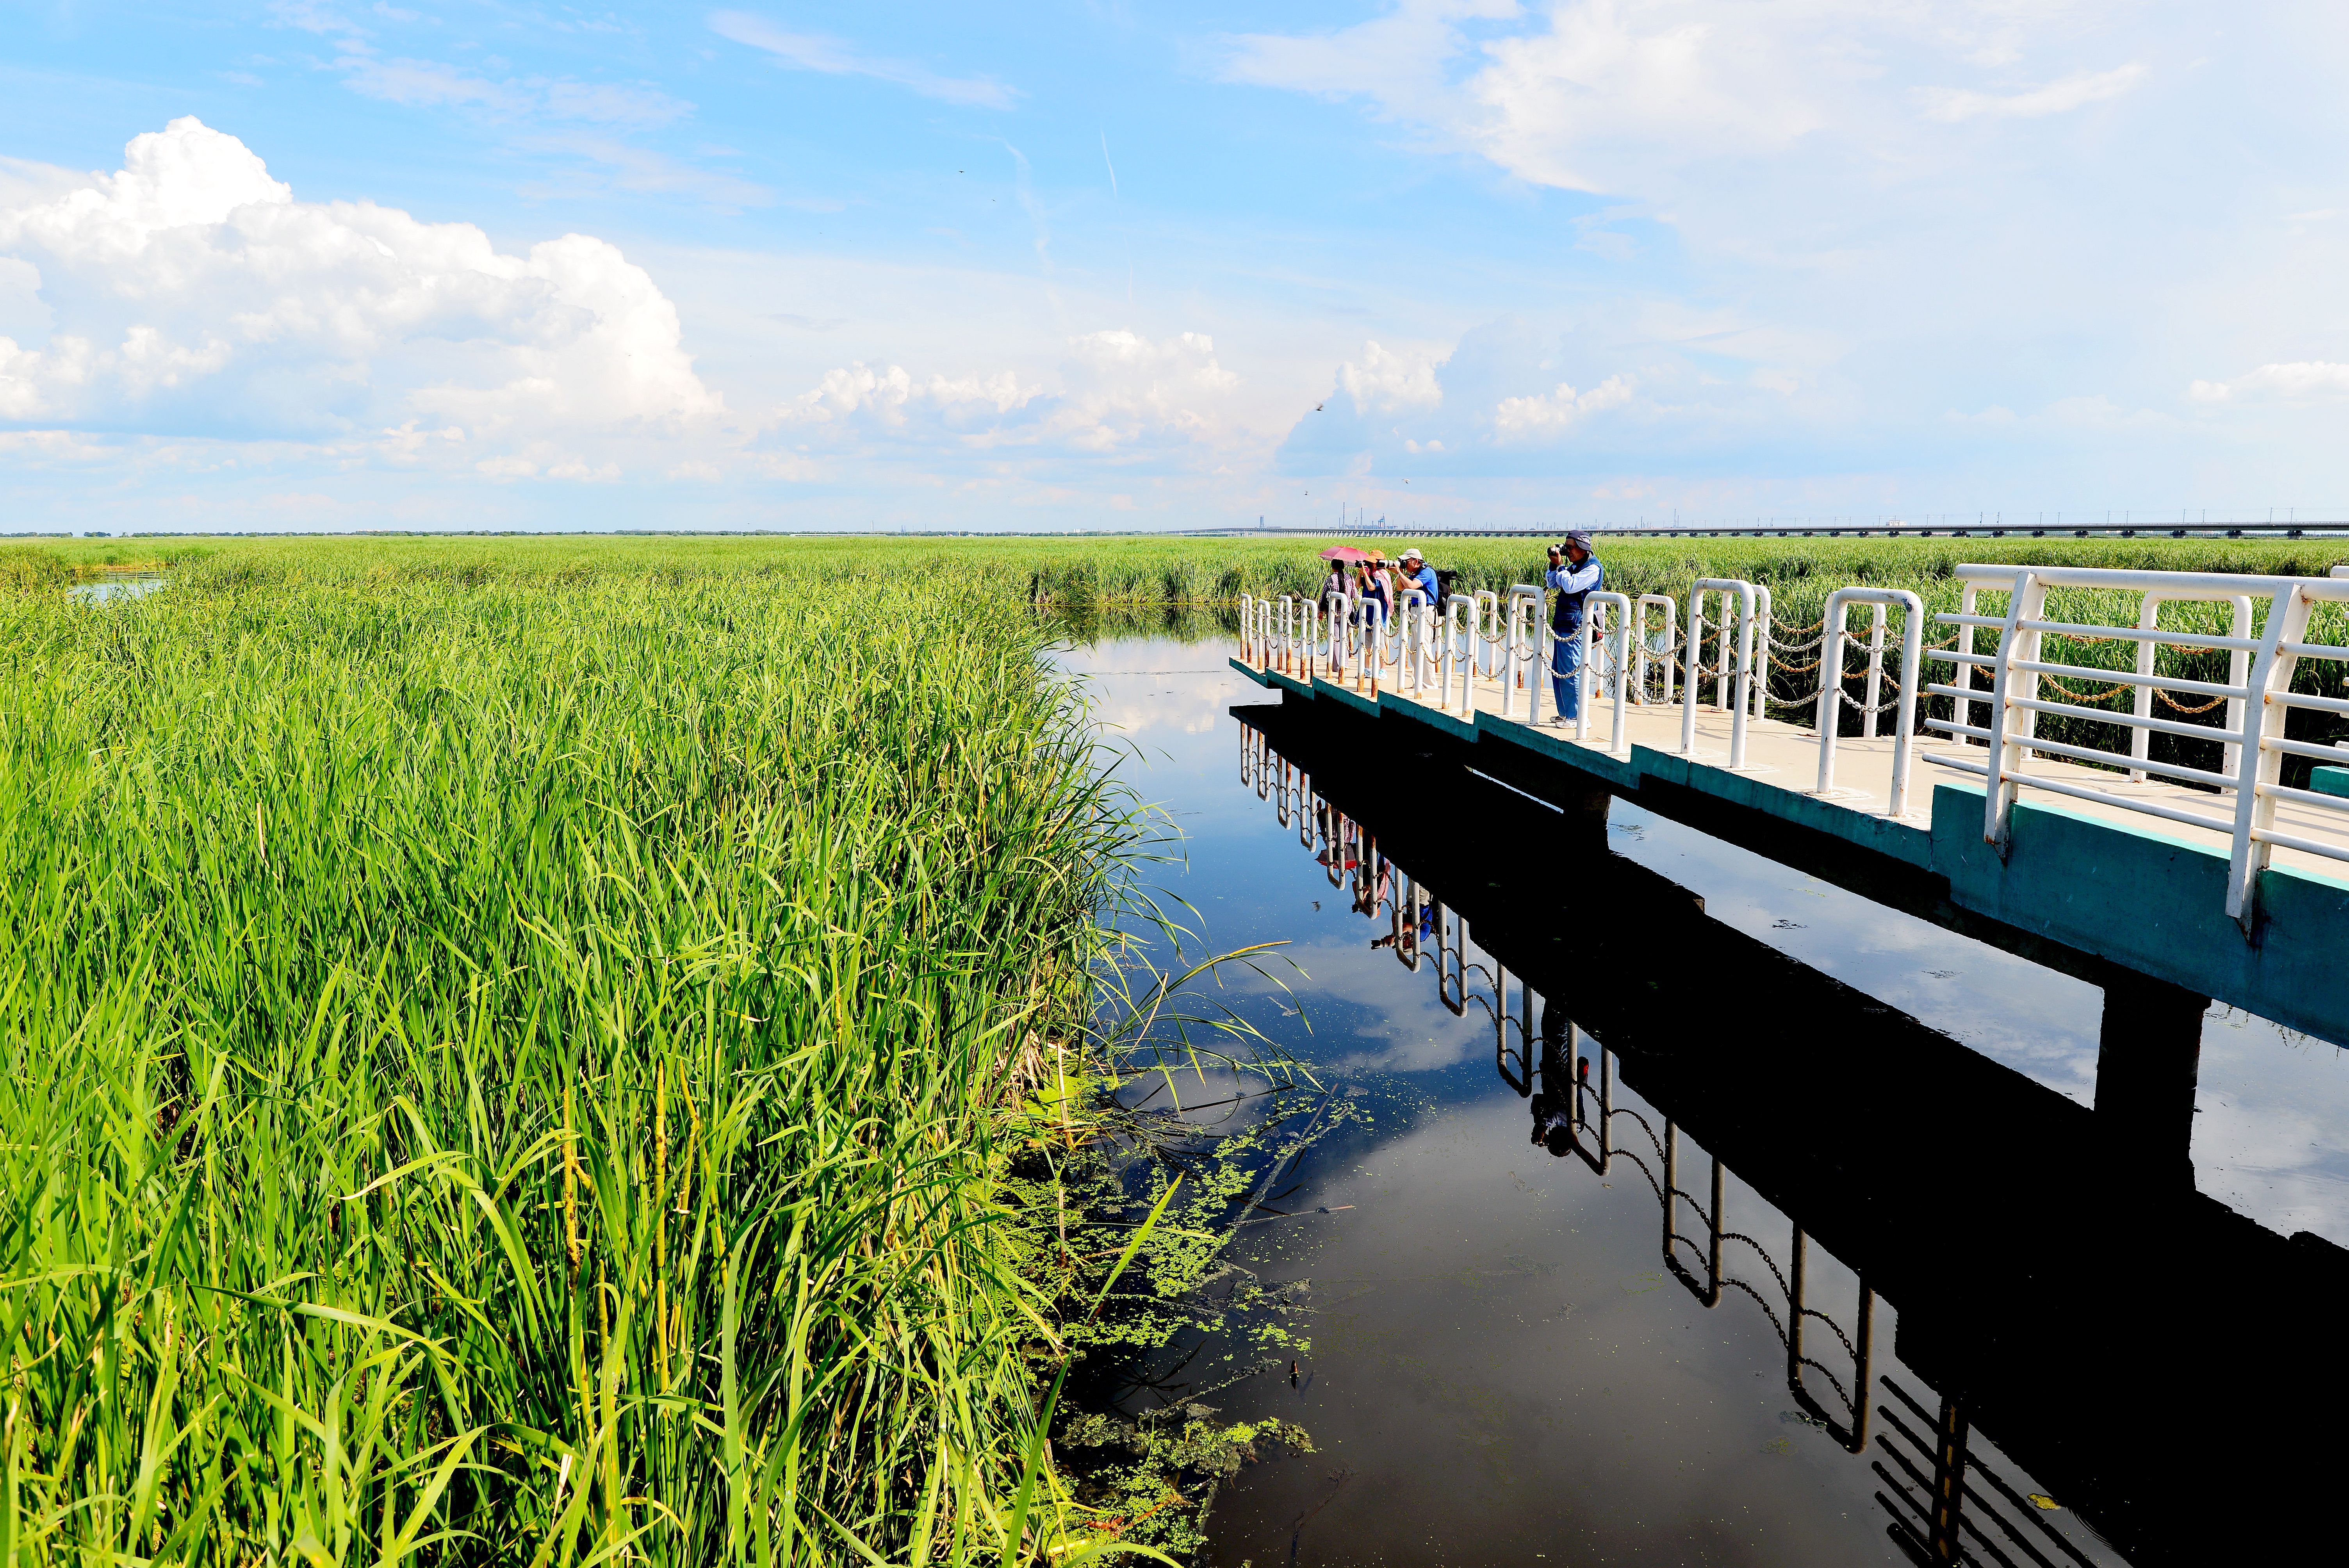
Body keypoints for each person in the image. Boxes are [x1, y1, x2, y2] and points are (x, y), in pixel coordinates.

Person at [1543, 530, 1603, 724]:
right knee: (1559, 671)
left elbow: (1570, 586)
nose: (1567, 551)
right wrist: (1555, 565)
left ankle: (1578, 717)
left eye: (1570, 548)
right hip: (1563, 624)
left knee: (1571, 672)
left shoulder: (1593, 569)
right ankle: (1566, 713)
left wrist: (1562, 567)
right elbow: (1553, 583)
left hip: (1576, 626)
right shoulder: (1574, 566)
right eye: (1566, 547)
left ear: (1583, 548)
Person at [1397, 547, 1441, 613]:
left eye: (1407, 561)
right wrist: (1400, 573)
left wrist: (1399, 573)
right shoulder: (1416, 573)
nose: (1405, 564)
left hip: (1427, 609)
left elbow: (1412, 586)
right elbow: (1400, 588)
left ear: (1416, 561)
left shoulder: (1427, 572)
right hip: (1416, 608)